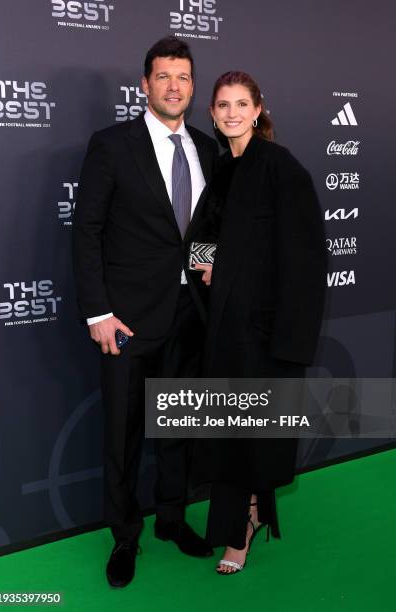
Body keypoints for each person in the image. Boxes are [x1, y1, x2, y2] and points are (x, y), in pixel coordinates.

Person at [72, 36, 218, 588]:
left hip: (189, 314)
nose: (174, 86)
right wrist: (97, 313)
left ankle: (172, 518)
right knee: (123, 432)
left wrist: (205, 268)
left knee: (178, 424)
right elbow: (86, 231)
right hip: (127, 321)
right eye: (163, 77)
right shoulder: (112, 145)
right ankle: (125, 535)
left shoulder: (207, 148)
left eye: (183, 77)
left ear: (192, 86)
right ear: (145, 85)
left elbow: (202, 230)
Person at [191, 71, 327, 574]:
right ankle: (245, 516)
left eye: (240, 103)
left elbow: (306, 255)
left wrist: (289, 339)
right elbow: (203, 235)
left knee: (251, 435)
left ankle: (240, 528)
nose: (230, 113)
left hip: (264, 333)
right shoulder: (224, 169)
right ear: (211, 112)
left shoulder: (280, 166)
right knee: (231, 431)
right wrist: (208, 263)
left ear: (257, 109)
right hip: (225, 329)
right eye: (222, 104)